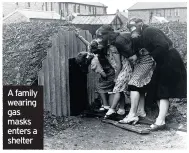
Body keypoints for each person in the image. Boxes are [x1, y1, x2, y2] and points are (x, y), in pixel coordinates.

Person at [126, 18, 187, 130]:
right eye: (130, 28)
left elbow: (163, 45)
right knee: (155, 88)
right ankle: (162, 117)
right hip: (162, 61)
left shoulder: (150, 31)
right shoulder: (142, 34)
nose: (132, 29)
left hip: (170, 60)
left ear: (140, 24)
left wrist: (150, 54)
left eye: (133, 26)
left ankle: (160, 121)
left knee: (162, 90)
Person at [95, 26, 133, 117]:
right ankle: (121, 109)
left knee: (117, 88)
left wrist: (116, 77)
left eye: (100, 38)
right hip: (120, 69)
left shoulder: (112, 47)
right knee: (120, 89)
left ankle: (111, 110)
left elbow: (119, 64)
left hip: (124, 68)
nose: (99, 41)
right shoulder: (106, 48)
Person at [75, 30, 115, 111]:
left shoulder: (94, 62)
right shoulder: (92, 53)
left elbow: (102, 73)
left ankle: (106, 105)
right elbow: (88, 45)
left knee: (100, 88)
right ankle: (108, 104)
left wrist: (104, 77)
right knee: (107, 88)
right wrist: (80, 37)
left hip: (108, 73)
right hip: (110, 70)